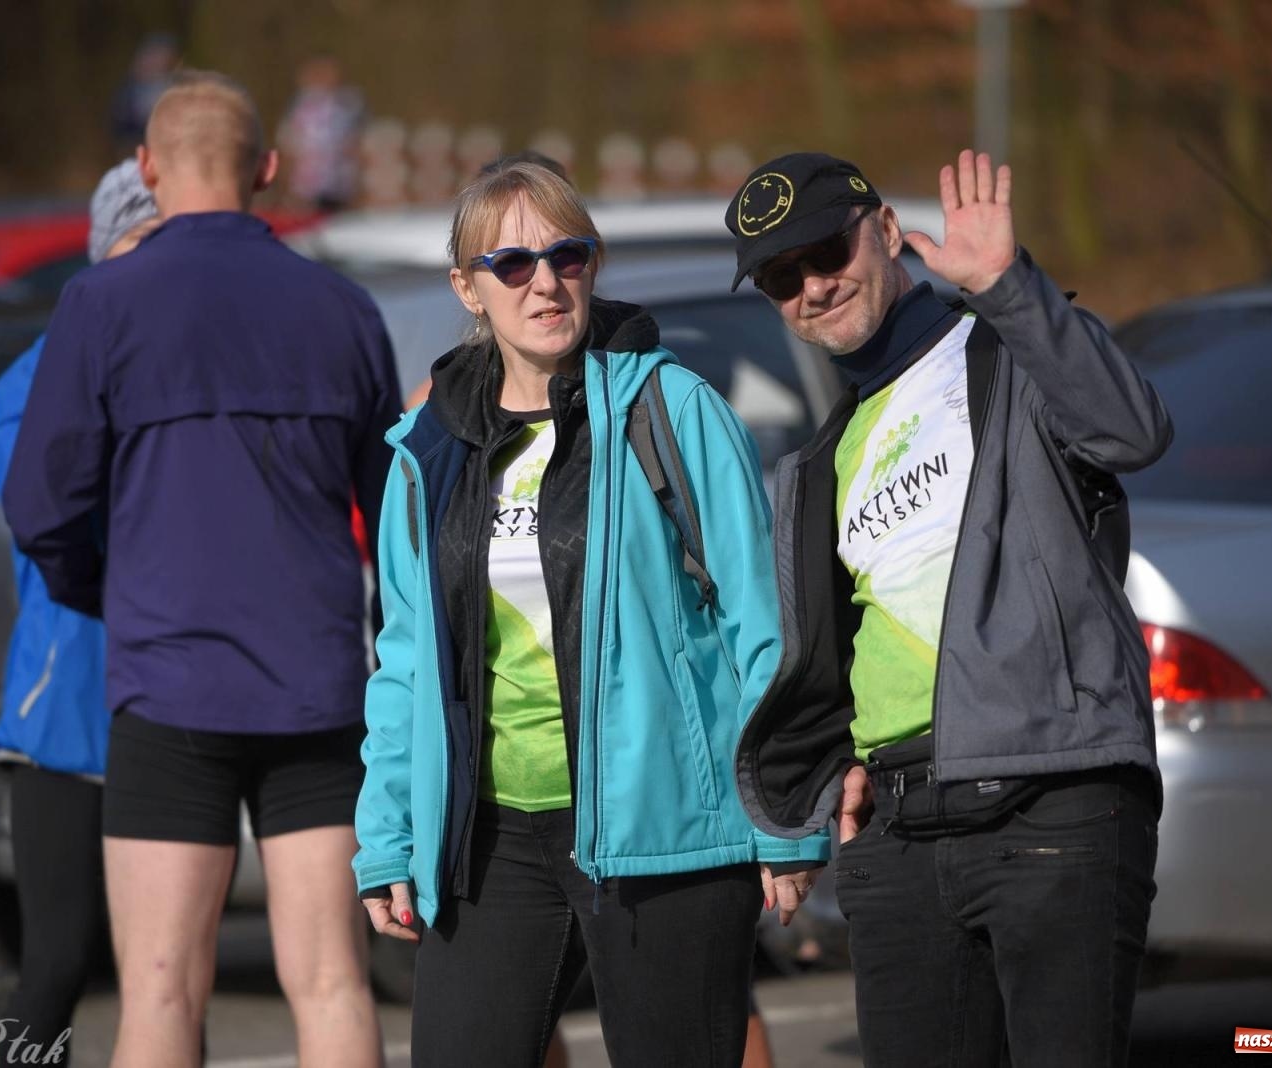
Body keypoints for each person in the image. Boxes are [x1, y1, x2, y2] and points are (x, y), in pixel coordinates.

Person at [353, 160, 828, 1068]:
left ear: (593, 264)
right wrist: (389, 835)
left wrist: (786, 814)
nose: (545, 282)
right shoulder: (428, 451)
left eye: (567, 255)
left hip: (665, 835)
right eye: (514, 263)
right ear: (468, 287)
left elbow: (764, 627)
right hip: (489, 839)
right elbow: (407, 657)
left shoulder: (672, 408)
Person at [729, 149, 1172, 1067]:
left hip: (1050, 804)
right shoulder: (817, 463)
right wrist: (830, 775)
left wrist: (1010, 286)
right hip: (899, 840)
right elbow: (831, 654)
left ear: (886, 231)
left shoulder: (1008, 355)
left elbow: (1132, 432)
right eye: (783, 278)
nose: (813, 286)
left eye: (826, 252)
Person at [2, 72, 399, 1068]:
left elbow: (40, 505)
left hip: (168, 684)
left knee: (163, 989)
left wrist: (111, 591)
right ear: (268, 169)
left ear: (146, 167)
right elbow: (396, 515)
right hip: (316, 685)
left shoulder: (100, 303)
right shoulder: (342, 309)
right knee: (331, 983)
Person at [0, 158, 159, 1067]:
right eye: (142, 242)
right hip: (65, 714)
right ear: (102, 253)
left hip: (166, 711)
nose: (158, 264)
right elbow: (46, 512)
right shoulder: (36, 374)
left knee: (166, 975)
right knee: (58, 963)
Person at [277, 56, 366, 212]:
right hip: (306, 185)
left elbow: (358, 143)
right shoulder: (298, 107)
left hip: (340, 183)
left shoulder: (350, 103)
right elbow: (288, 147)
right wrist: (286, 186)